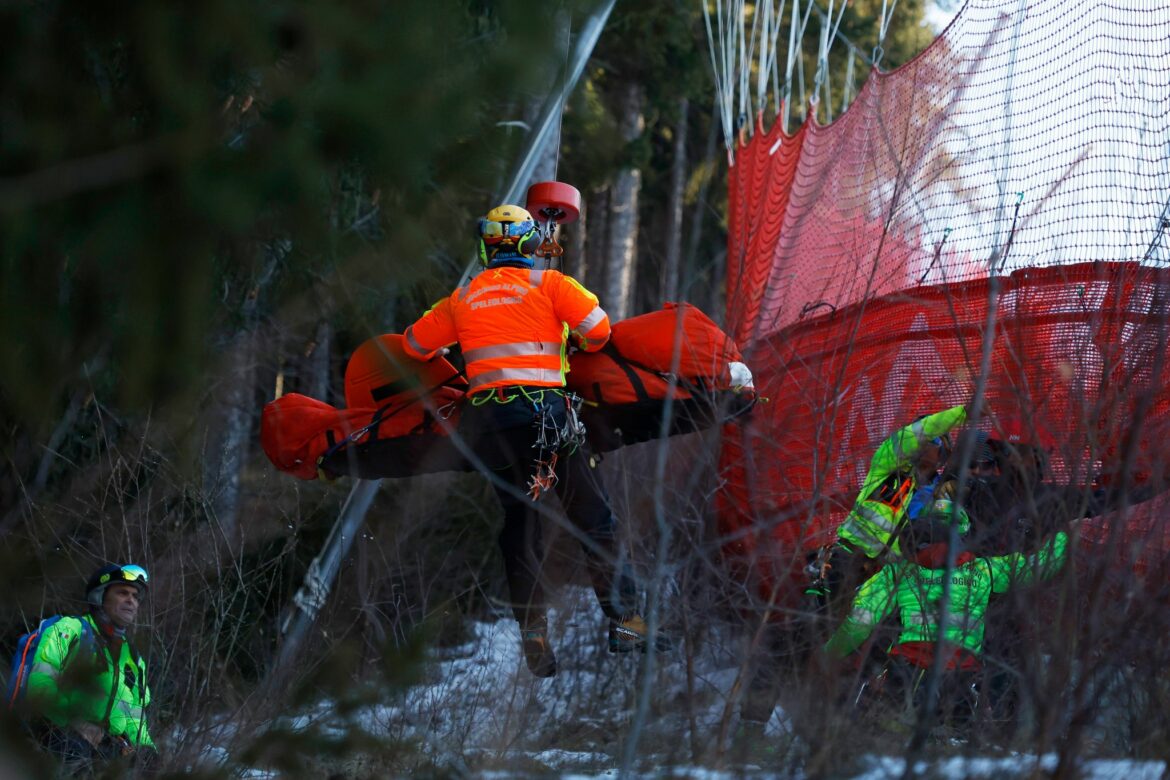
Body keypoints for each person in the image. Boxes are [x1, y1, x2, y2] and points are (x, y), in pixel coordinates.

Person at [402, 203, 660, 678]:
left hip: (490, 430)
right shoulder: (551, 285)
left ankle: (533, 632)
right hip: (547, 419)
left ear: (486, 246)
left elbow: (414, 345)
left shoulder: (462, 298)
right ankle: (626, 624)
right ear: (528, 245)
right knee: (594, 519)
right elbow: (599, 333)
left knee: (521, 524)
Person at [823, 499, 1069, 731]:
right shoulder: (984, 570)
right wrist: (1065, 536)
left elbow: (858, 624)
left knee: (891, 740)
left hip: (906, 674)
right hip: (961, 677)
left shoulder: (897, 573)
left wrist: (826, 656)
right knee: (957, 751)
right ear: (963, 534)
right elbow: (1039, 567)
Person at [16, 563, 156, 773]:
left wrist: (146, 748)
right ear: (100, 597)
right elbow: (41, 685)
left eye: (136, 597)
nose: (132, 601)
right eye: (123, 593)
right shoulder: (70, 630)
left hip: (105, 747)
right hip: (56, 735)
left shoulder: (133, 659)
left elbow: (135, 715)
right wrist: (74, 724)